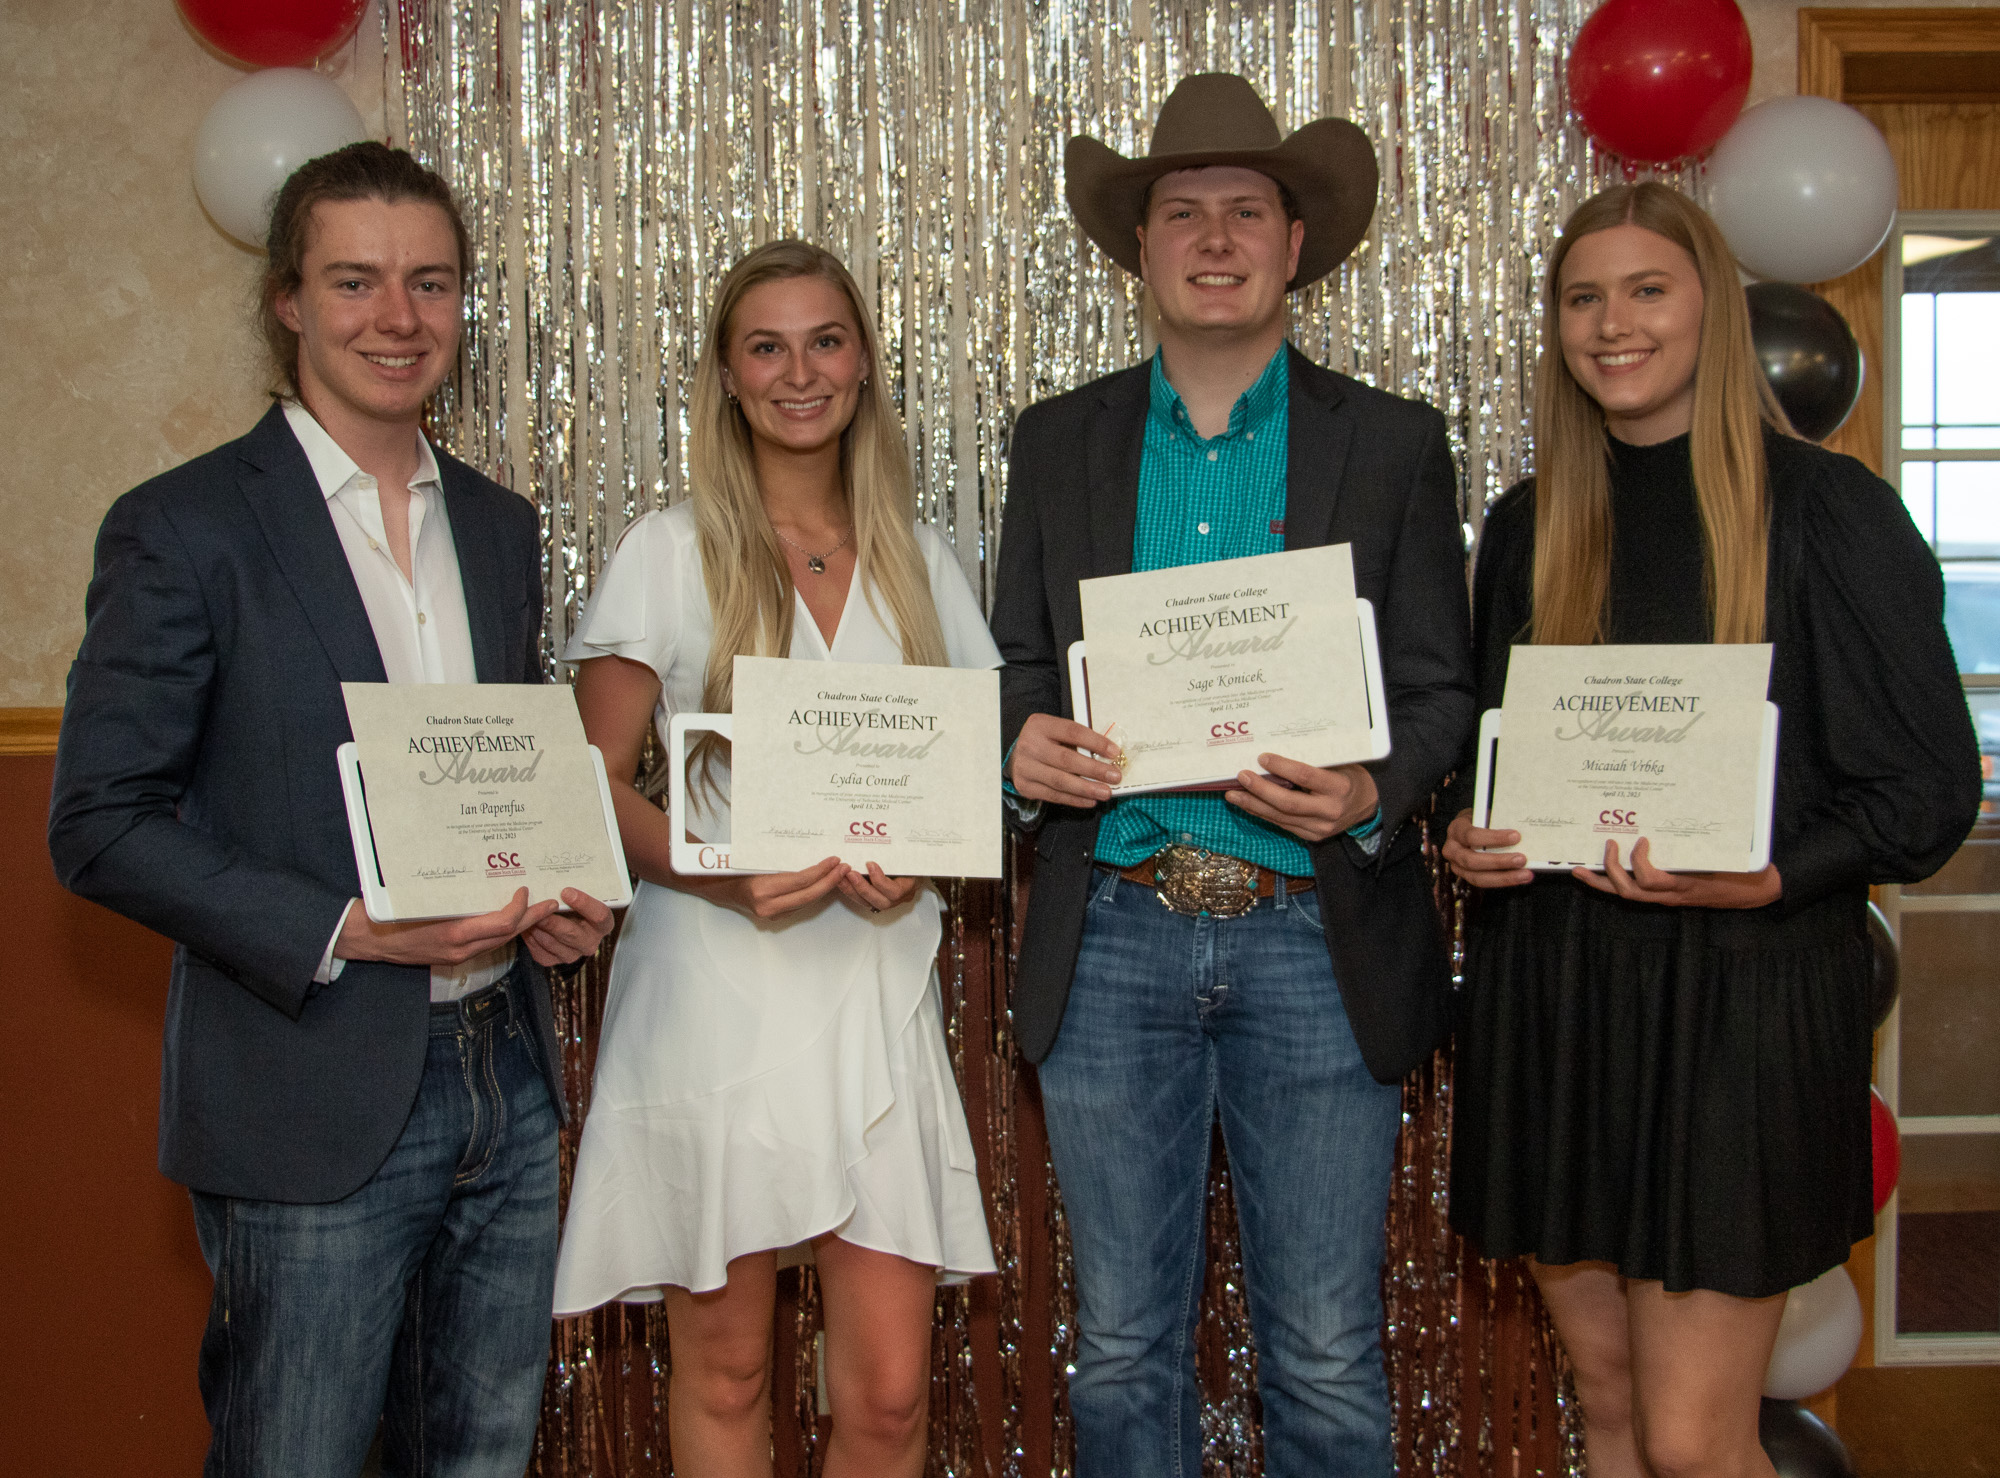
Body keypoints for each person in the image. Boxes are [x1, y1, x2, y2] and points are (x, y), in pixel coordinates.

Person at [46, 141, 615, 1476]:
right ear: (288, 301)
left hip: (505, 1077)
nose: (396, 317)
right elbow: (100, 819)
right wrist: (349, 928)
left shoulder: (497, 525)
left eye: (430, 282)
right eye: (355, 281)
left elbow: (492, 771)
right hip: (308, 1083)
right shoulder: (181, 528)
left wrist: (551, 892)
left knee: (478, 1456)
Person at [1443, 182, 1980, 1478]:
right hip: (1560, 999)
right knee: (1614, 1406)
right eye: (1583, 297)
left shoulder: (1827, 515)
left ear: (1713, 314)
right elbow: (1497, 756)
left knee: (1694, 1442)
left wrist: (1776, 875)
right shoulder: (1528, 526)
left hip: (1736, 1011)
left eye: (1646, 290)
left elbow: (1925, 793)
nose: (1611, 323)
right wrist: (1473, 834)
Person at [988, 73, 1475, 1477]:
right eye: (1181, 212)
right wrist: (1024, 744)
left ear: (1295, 242)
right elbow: (1022, 659)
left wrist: (1373, 792)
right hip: (1120, 926)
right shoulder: (1058, 438)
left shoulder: (1387, 443)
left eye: (1245, 210)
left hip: (1313, 937)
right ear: (1138, 250)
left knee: (1323, 1343)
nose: (1214, 237)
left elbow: (1440, 684)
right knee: (1127, 1338)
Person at [550, 239, 998, 1478]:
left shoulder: (922, 557)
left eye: (825, 340)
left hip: (873, 988)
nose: (799, 371)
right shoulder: (666, 546)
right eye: (766, 345)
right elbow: (588, 780)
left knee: (892, 1393)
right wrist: (715, 869)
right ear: (727, 375)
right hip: (714, 985)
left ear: (859, 364)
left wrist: (922, 858)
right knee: (730, 1364)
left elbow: (968, 779)